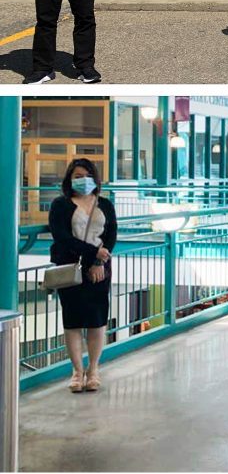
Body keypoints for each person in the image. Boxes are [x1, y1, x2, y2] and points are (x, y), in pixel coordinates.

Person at [47, 158, 117, 393]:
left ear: (94, 178)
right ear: (69, 179)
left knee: (97, 321)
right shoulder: (60, 204)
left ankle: (94, 370)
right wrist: (93, 252)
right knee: (73, 321)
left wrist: (99, 260)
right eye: (77, 176)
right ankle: (77, 372)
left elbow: (111, 236)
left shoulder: (105, 204)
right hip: (70, 269)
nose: (82, 180)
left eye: (86, 175)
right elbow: (62, 237)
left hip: (99, 270)